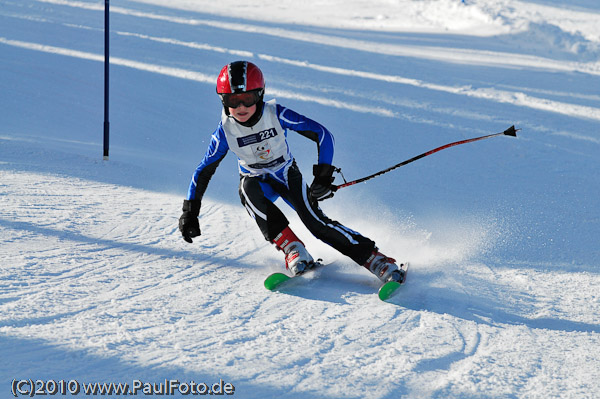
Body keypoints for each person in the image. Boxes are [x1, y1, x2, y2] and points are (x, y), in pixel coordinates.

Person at [178, 61, 405, 284]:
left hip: (286, 175)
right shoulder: (225, 132)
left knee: (315, 223)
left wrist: (323, 176)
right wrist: (190, 212)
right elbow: (203, 170)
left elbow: (323, 134)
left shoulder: (275, 114)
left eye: (247, 99)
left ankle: (375, 259)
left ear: (260, 95)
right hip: (257, 182)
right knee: (247, 189)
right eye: (232, 100)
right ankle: (293, 249)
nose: (240, 108)